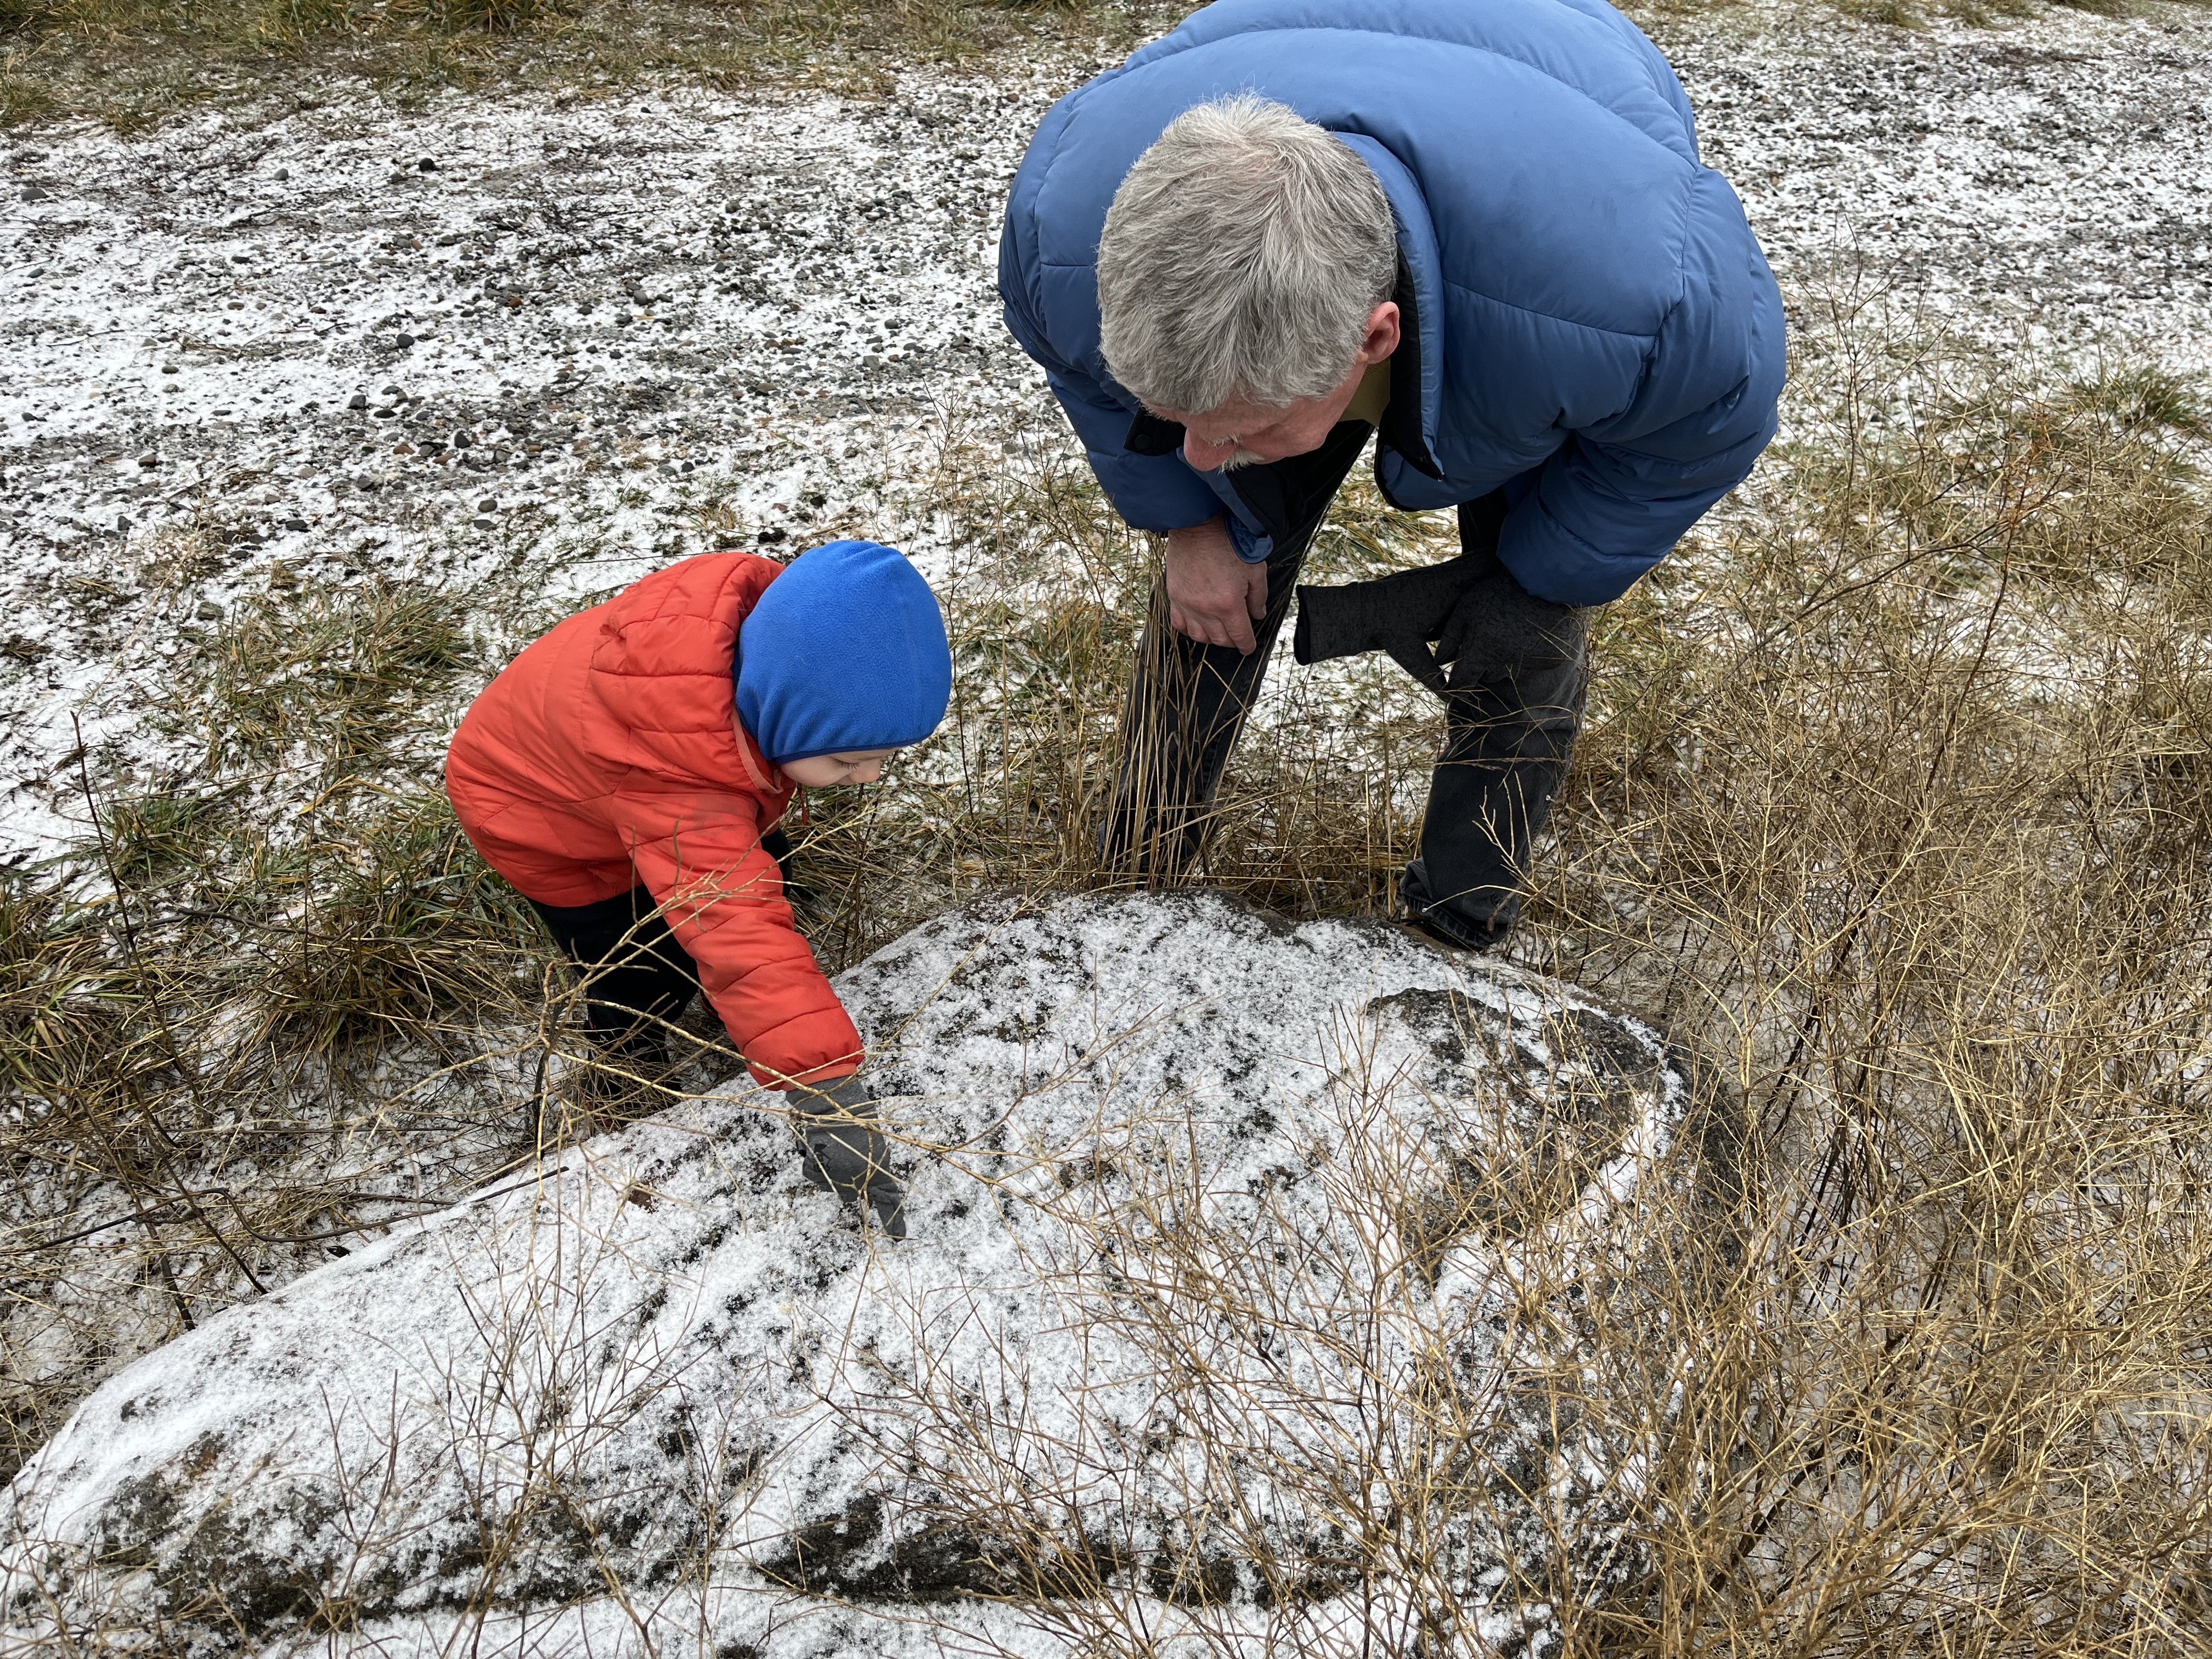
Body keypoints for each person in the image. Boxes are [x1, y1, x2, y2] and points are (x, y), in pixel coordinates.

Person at [998, 0, 1786, 951]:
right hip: (1304, 68)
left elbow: (1698, 430)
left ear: (1373, 339)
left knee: (1522, 630)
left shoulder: (1645, 305)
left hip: (1541, 216)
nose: (1201, 454)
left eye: (1241, 425)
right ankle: (1138, 877)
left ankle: (1460, 926)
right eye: (1179, 421)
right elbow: (1099, 377)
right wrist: (1187, 521)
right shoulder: (1064, 230)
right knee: (1206, 588)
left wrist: (1538, 577)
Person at [444, 539, 952, 1235]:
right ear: (777, 712)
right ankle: (626, 1067)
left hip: (651, 768)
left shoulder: (763, 641)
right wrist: (825, 1094)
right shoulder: (678, 780)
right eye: (849, 759)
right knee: (640, 962)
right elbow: (738, 930)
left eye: (885, 759)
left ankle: (728, 1019)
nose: (870, 778)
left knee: (762, 875)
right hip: (540, 816)